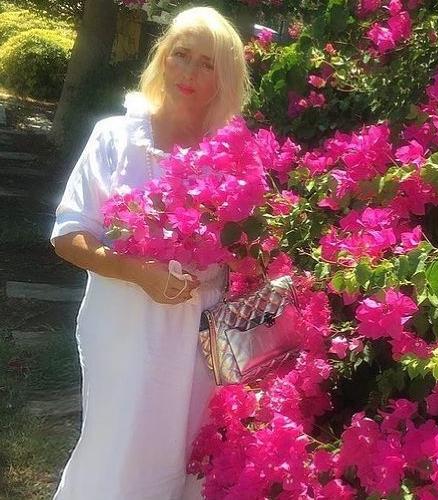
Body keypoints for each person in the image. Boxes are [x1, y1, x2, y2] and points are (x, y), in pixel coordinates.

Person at [50, 7, 250, 499]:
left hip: (201, 333)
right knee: (118, 451)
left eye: (207, 63)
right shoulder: (116, 138)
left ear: (224, 77)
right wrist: (138, 272)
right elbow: (68, 234)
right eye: (181, 54)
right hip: (124, 323)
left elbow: (253, 250)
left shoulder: (236, 154)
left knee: (185, 456)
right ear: (162, 57)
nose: (189, 71)